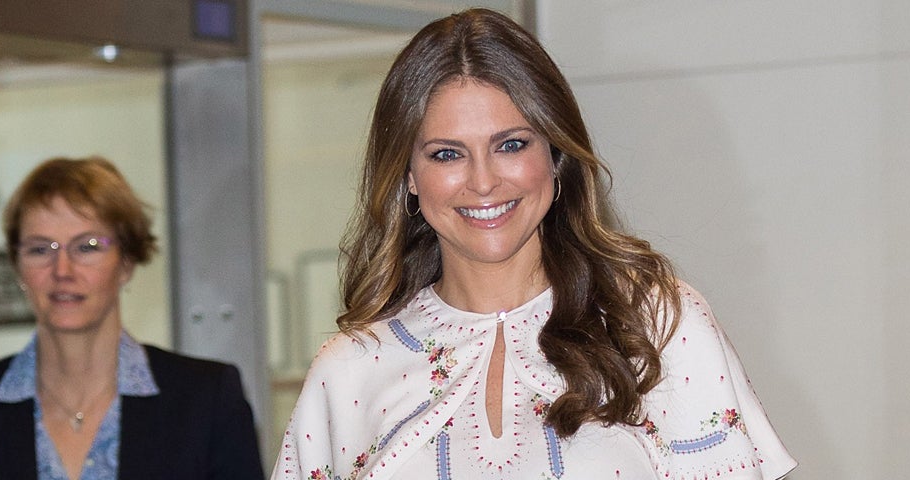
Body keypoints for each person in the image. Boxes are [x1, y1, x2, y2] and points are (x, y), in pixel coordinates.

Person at [273, 8, 796, 480]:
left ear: (555, 154)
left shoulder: (655, 324)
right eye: (447, 154)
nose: (483, 182)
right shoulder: (349, 370)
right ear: (408, 175)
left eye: (511, 145)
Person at [0, 157, 265, 480]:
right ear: (16, 265)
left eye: (87, 247)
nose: (62, 270)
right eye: (40, 249)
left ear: (127, 262)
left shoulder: (206, 400)